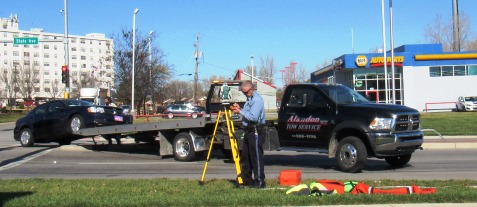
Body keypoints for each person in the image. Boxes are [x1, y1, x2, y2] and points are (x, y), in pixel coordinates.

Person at [230, 80, 266, 188]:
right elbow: (246, 111)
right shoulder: (249, 99)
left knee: (256, 158)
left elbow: (253, 117)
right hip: (248, 131)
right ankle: (246, 179)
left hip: (256, 131)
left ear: (251, 89)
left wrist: (239, 112)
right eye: (243, 92)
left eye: (246, 92)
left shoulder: (257, 100)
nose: (245, 94)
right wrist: (238, 108)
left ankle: (259, 181)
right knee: (246, 157)